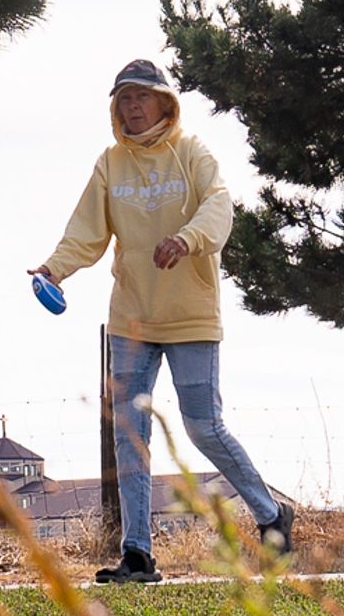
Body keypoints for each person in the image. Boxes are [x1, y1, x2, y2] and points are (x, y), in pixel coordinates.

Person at [31, 56, 293, 583]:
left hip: (191, 316)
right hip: (131, 319)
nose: (131, 107)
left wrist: (188, 239)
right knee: (130, 433)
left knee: (203, 427)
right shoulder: (109, 164)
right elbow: (86, 232)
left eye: (140, 97)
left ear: (164, 103)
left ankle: (271, 515)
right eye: (123, 99)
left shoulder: (193, 154)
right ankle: (138, 554)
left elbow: (219, 208)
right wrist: (53, 270)